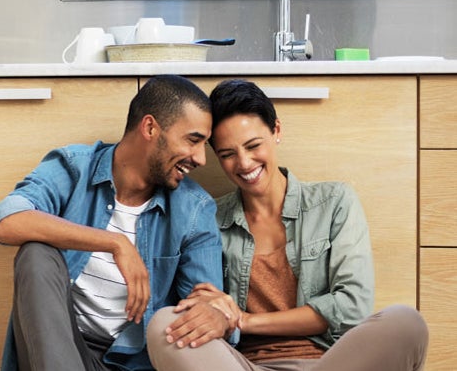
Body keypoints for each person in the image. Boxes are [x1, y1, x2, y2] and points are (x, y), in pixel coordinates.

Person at [147, 79, 429, 371]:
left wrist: (244, 319)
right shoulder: (207, 218)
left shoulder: (334, 202)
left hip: (332, 363)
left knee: (406, 322)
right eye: (228, 155)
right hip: (242, 366)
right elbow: (203, 311)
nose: (244, 163)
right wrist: (215, 314)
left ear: (276, 131)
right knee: (164, 326)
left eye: (253, 145)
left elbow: (352, 307)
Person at [0, 75, 232, 371]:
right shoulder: (74, 168)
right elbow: (6, 220)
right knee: (36, 255)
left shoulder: (195, 210)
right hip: (63, 350)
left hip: (137, 363)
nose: (200, 159)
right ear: (150, 127)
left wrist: (218, 314)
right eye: (193, 140)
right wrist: (115, 243)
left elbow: (203, 306)